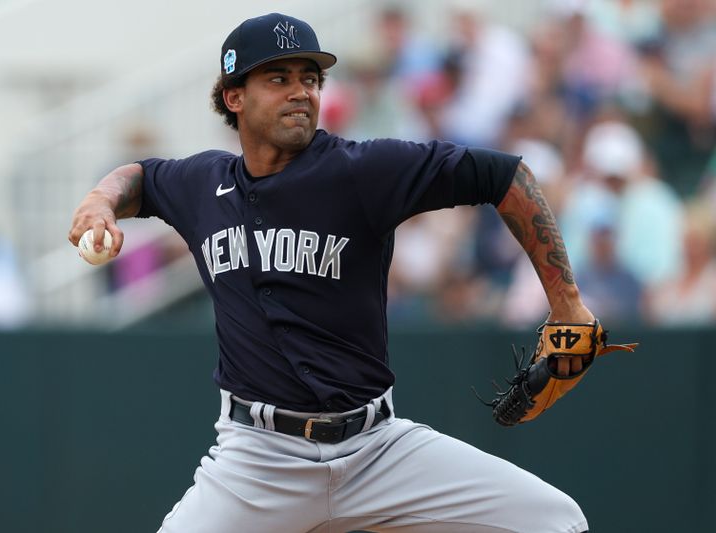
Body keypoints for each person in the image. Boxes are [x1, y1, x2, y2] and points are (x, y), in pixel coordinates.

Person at [69, 13, 595, 532]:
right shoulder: (202, 183)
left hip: (377, 451)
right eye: (279, 78)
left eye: (311, 78)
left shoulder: (362, 170)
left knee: (557, 523)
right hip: (258, 462)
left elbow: (503, 175)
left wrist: (566, 301)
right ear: (235, 97)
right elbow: (139, 177)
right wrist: (99, 201)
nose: (301, 91)